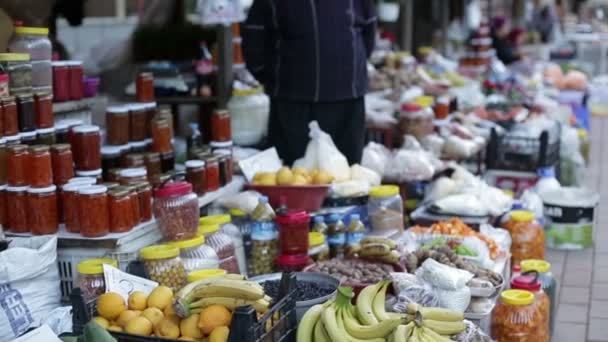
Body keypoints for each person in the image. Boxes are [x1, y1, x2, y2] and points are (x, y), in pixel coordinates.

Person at [242, 0, 377, 165]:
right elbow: (254, 40)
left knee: (346, 180)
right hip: (292, 102)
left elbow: (369, 35)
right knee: (293, 176)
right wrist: (274, 78)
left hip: (346, 102)